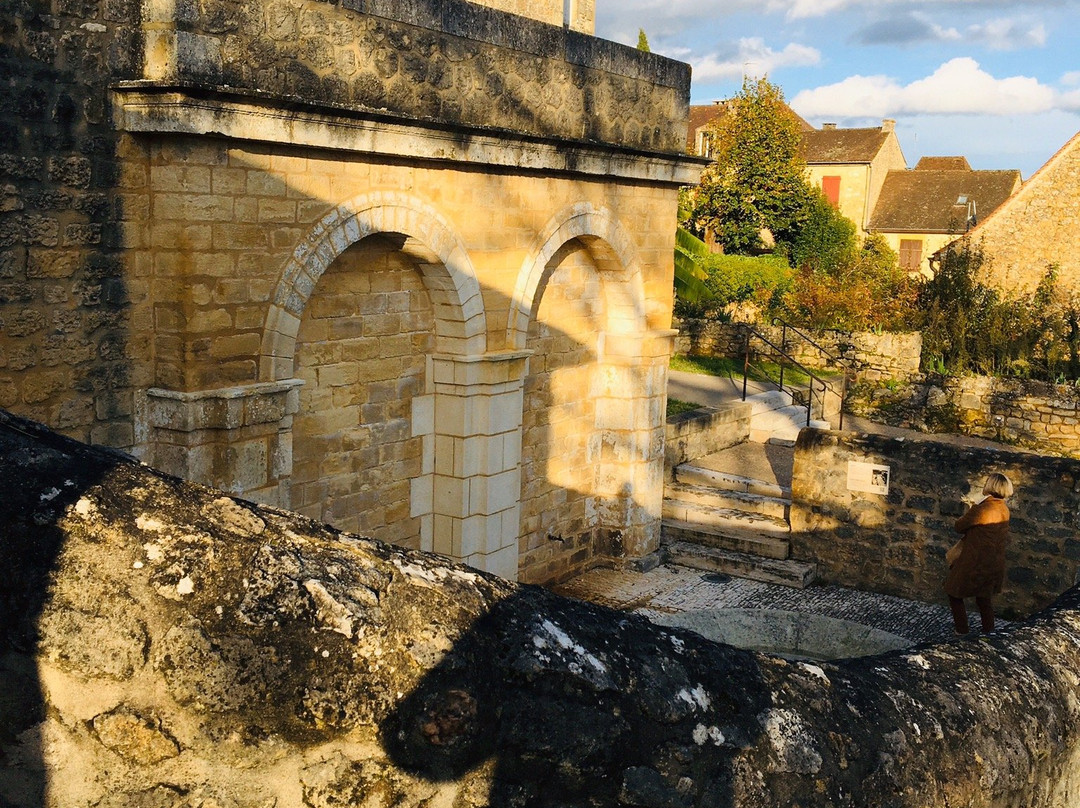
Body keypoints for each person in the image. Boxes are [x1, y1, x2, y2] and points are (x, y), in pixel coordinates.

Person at [945, 472, 1013, 635]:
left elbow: (959, 526)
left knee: (954, 592)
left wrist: (972, 509)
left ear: (991, 486)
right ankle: (988, 632)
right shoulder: (1004, 509)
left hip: (974, 561)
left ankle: (962, 631)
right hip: (994, 562)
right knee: (984, 599)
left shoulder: (983, 509)